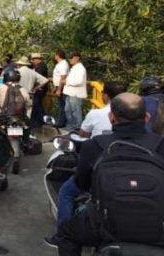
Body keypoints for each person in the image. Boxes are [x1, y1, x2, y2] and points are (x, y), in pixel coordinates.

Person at [55, 93, 164, 255]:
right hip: (156, 225)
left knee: (66, 233)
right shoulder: (160, 145)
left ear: (112, 117)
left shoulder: (94, 145)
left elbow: (83, 183)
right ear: (147, 117)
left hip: (105, 225)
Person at [44, 82, 128, 247]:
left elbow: (83, 136)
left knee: (67, 192)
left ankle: (63, 235)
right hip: (131, 171)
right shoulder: (140, 119)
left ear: (105, 96)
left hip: (100, 170)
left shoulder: (97, 114)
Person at [15, 56, 49, 126]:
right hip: (29, 95)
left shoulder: (17, 72)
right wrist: (36, 88)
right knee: (28, 115)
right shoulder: (33, 72)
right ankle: (28, 131)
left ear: (19, 64)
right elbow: (46, 80)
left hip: (18, 95)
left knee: (17, 114)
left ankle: (17, 130)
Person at [64, 52, 87, 132]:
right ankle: (70, 126)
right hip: (70, 92)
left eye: (71, 58)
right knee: (68, 110)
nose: (70, 59)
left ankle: (77, 127)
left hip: (76, 93)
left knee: (75, 111)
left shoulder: (80, 68)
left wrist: (66, 82)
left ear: (77, 58)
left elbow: (79, 81)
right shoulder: (74, 67)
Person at [29, 53, 50, 129]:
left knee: (36, 105)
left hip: (40, 89)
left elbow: (39, 78)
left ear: (38, 59)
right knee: (38, 105)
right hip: (38, 89)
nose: (33, 61)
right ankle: (42, 120)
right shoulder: (37, 67)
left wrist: (36, 87)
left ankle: (39, 121)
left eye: (34, 60)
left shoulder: (42, 67)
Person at [53, 50, 70, 128]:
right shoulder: (60, 64)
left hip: (62, 88)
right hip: (59, 87)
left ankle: (62, 123)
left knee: (63, 106)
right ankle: (62, 122)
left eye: (55, 55)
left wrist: (59, 89)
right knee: (62, 105)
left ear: (58, 55)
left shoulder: (63, 64)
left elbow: (63, 77)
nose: (54, 56)